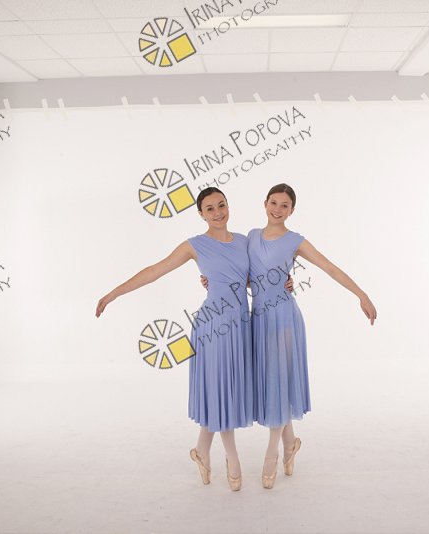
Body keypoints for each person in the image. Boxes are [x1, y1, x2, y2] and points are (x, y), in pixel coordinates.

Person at [202, 183, 377, 489]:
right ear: (265, 203)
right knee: (274, 385)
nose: (278, 209)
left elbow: (330, 268)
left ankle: (272, 454)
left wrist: (361, 294)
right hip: (256, 320)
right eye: (274, 203)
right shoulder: (251, 237)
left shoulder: (296, 241)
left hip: (283, 318)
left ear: (292, 210)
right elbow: (243, 277)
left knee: (277, 382)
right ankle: (291, 442)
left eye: (284, 205)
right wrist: (211, 280)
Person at [96, 187, 252, 491]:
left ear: (228, 206)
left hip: (240, 326)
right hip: (212, 327)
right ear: (201, 214)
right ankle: (233, 460)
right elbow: (155, 270)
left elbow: (252, 279)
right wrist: (113, 294)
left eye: (221, 205)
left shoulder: (244, 242)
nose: (218, 213)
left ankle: (201, 451)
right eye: (210, 209)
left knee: (223, 392)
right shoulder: (194, 245)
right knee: (222, 392)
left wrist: (286, 281)